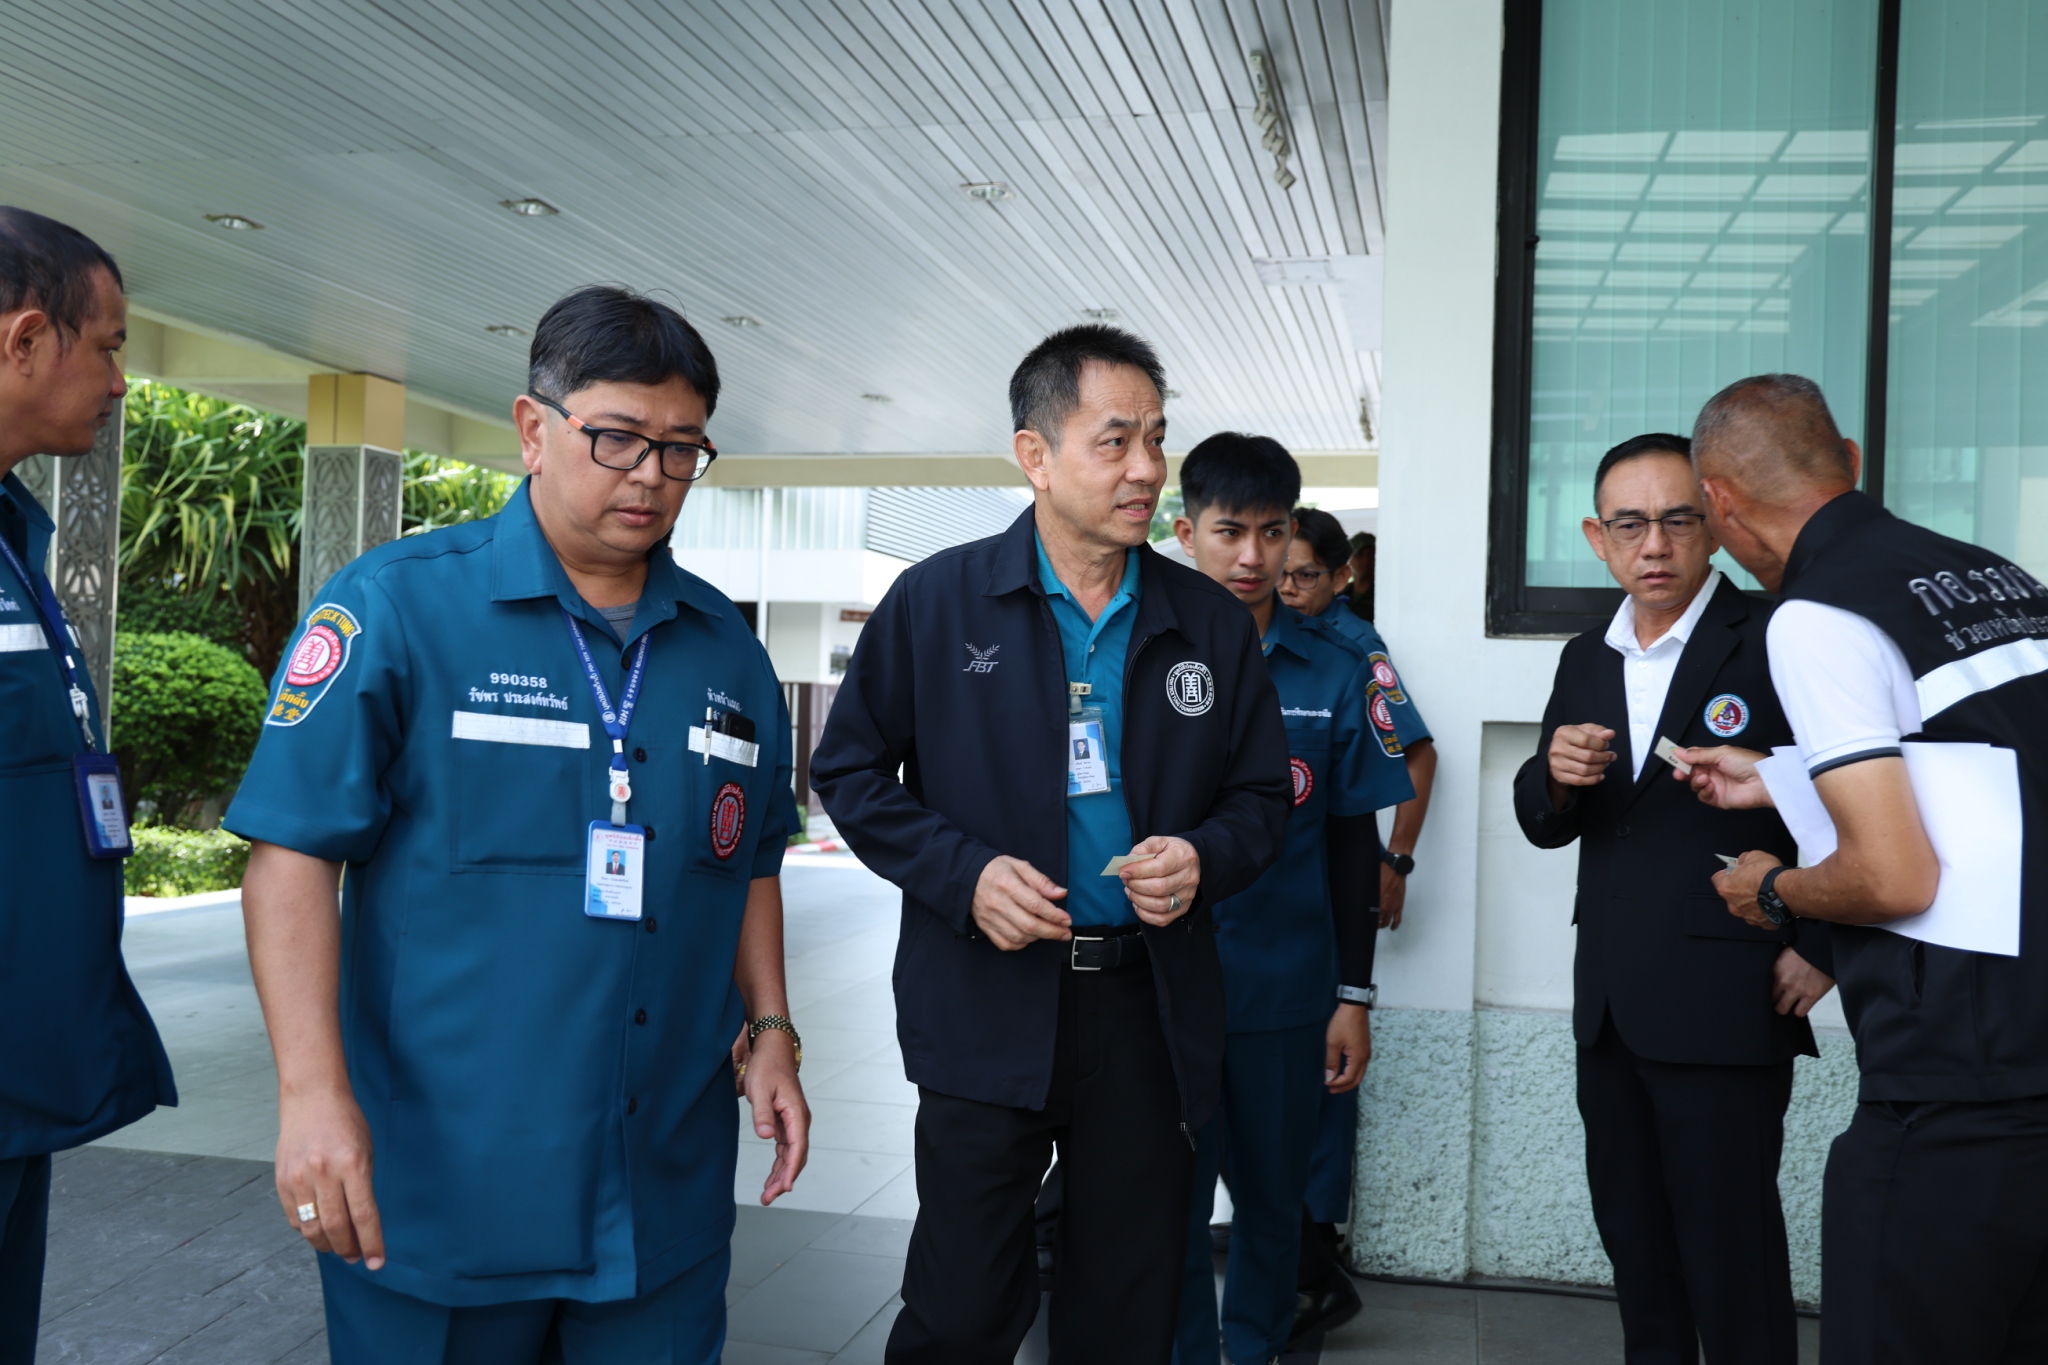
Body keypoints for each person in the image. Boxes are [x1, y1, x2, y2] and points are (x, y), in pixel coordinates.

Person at [224, 286, 808, 1364]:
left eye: (682, 449)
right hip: (441, 1193)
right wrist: (309, 1095)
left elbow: (751, 859)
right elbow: (291, 857)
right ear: (534, 430)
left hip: (659, 1199)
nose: (650, 475)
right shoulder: (398, 608)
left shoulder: (726, 649)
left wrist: (770, 1026)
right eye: (618, 438)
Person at [811, 325, 1291, 1365]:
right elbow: (847, 771)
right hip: (984, 998)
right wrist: (964, 874)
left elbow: (1261, 798)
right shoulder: (937, 602)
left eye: (1156, 438)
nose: (1146, 468)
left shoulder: (1209, 623)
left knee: (1124, 1316)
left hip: (1146, 1009)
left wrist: (1203, 857)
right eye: (1114, 441)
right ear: (1033, 454)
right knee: (958, 1308)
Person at [1680, 375, 2048, 1364]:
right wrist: (1780, 774)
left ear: (1717, 502)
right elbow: (1989, 765)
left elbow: (1892, 879)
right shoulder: (1995, 577)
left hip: (1957, 1091)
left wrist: (1772, 888)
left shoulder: (1813, 617)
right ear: (1848, 460)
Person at [1512, 432, 1834, 1365]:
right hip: (1610, 1007)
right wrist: (1553, 775)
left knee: (1732, 1257)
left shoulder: (1776, 638)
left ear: (1715, 525)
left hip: (1729, 998)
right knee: (1638, 1250)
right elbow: (1545, 821)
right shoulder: (1587, 655)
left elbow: (1857, 798)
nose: (1653, 545)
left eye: (1677, 520)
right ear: (1597, 537)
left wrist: (1822, 941)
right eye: (1630, 525)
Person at [1168, 435, 1410, 1365]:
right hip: (1161, 988)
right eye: (1229, 531)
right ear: (1185, 532)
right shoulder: (1143, 654)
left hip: (1282, 991)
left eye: (1271, 534)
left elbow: (1353, 847)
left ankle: (1258, 1347)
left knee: (1273, 1203)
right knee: (1168, 1204)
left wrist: (1353, 996)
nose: (1251, 556)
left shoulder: (1336, 669)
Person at [0, 207, 175, 1364]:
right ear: (25, 340)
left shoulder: (16, 535)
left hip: (22, 1080)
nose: (118, 382)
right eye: (106, 348)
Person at [1278, 505, 1436, 1330]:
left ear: (1342, 576)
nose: (1287, 586)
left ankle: (1314, 1246)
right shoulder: (1240, 639)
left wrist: (1394, 860)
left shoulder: (1350, 649)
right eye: (1282, 571)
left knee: (1325, 1073)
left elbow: (1418, 750)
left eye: (1305, 574)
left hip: (1322, 896)